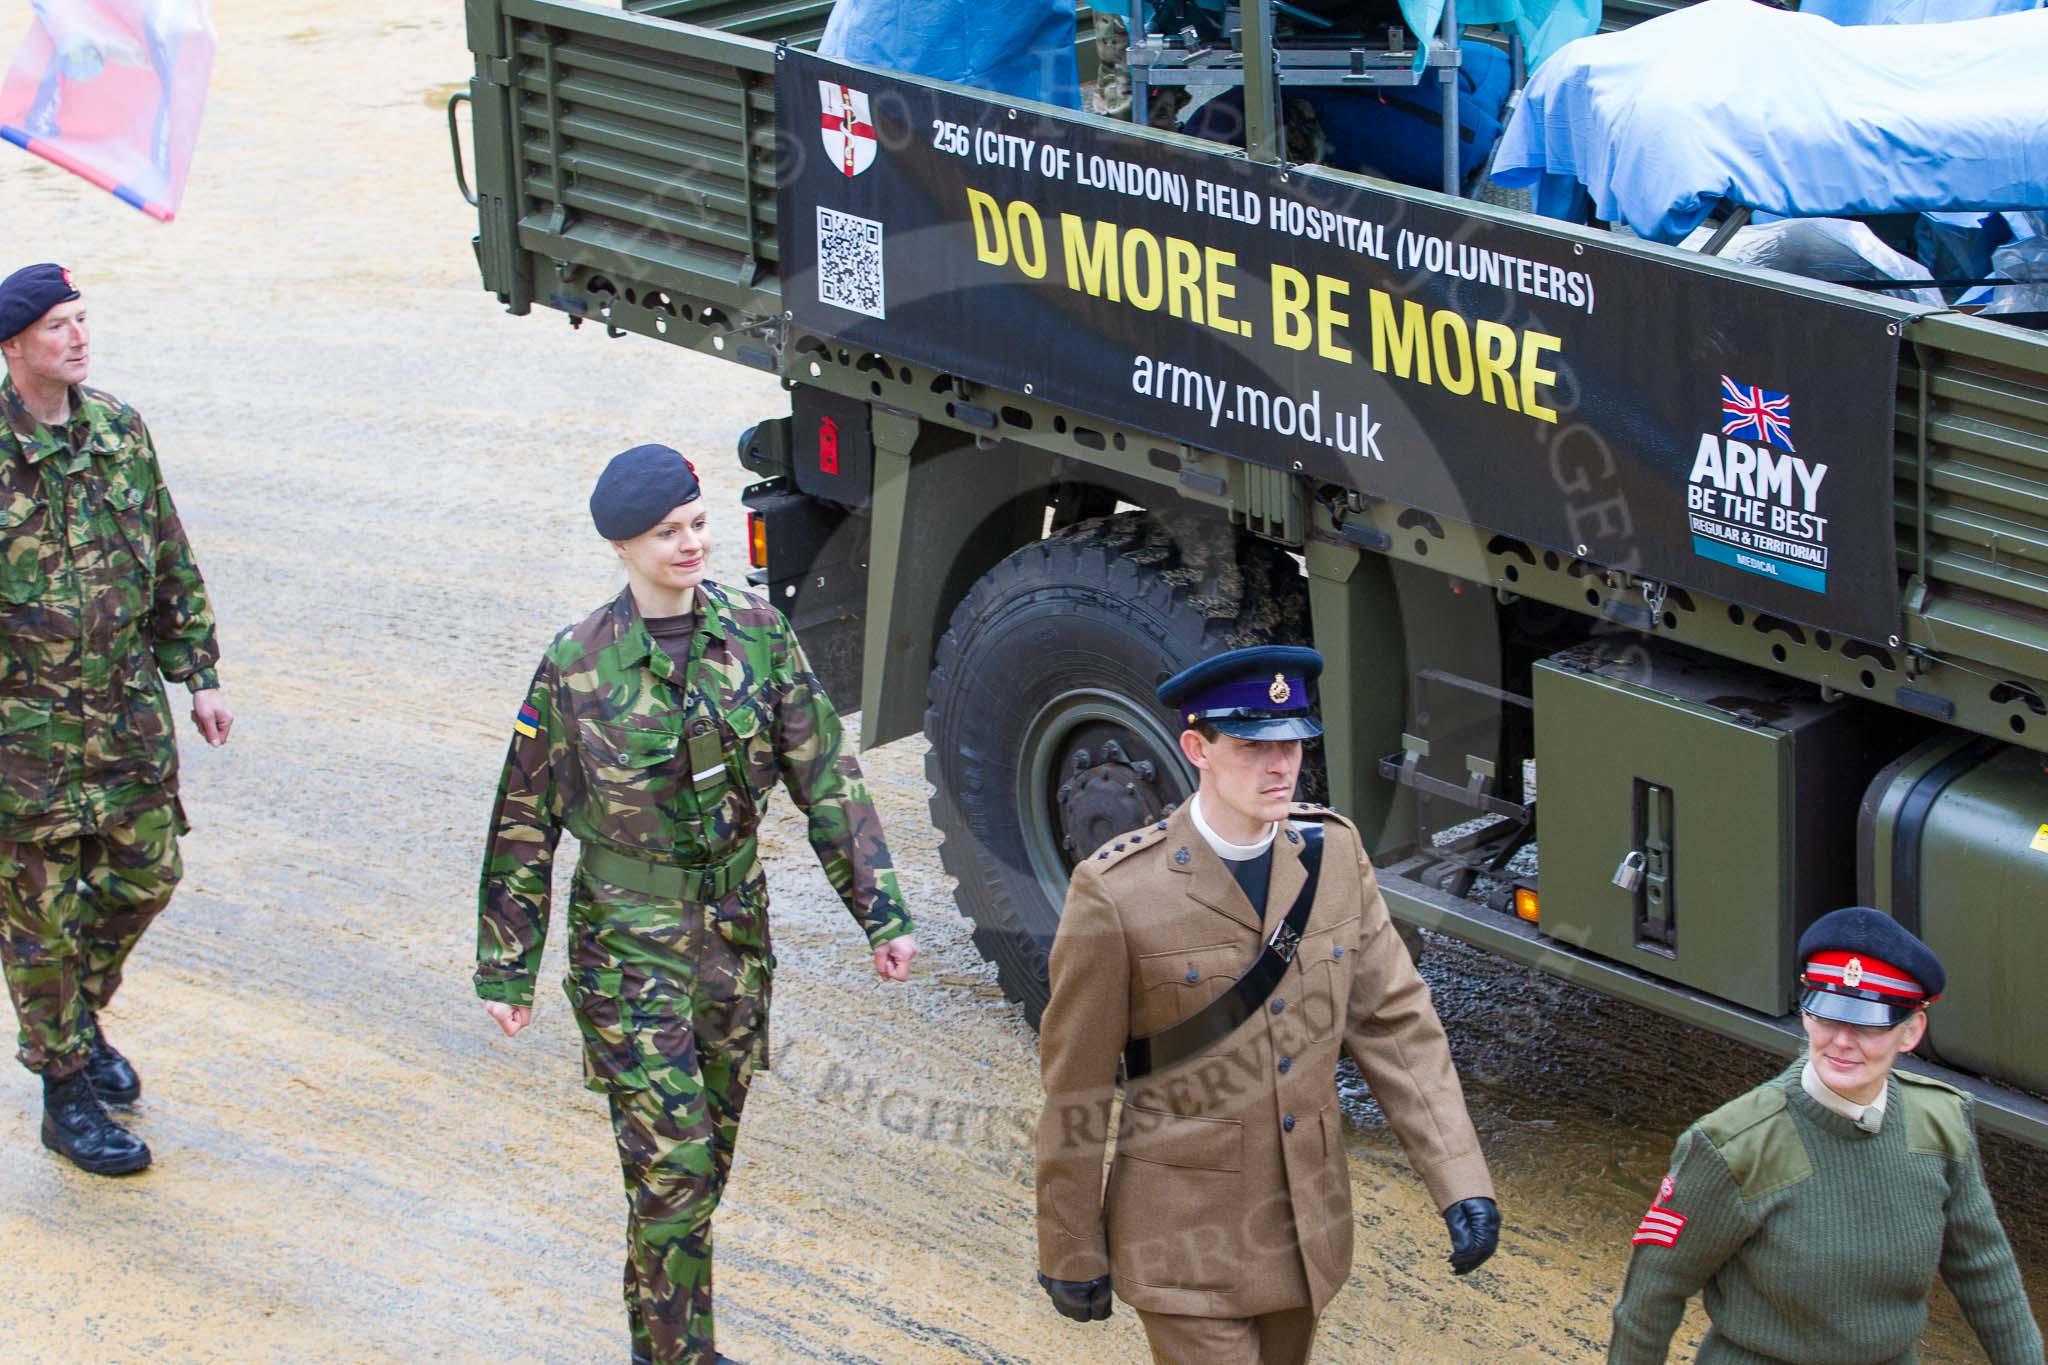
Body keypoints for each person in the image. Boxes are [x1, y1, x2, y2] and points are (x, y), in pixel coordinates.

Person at [474, 443, 917, 1365]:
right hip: (630, 949)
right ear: (623, 547)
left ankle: (674, 1343)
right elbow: (524, 820)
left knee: (702, 1159)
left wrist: (881, 909)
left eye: (697, 523)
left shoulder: (755, 631)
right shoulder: (576, 665)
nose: (690, 544)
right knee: (671, 1171)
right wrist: (507, 965)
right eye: (666, 532)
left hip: (733, 937)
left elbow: (824, 776)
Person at [1033, 644, 1500, 1364]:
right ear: (1198, 748)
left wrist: (1461, 1181)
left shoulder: (1335, 857)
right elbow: (1077, 1086)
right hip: (1181, 1243)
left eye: (1293, 744)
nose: (1281, 765)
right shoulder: (1118, 892)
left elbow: (1397, 1022)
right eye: (1253, 746)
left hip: (1303, 1234)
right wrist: (1069, 1247)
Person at [0, 262, 232, 1176]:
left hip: (127, 727)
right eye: (58, 326)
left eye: (83, 320)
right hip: (23, 747)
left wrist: (200, 673)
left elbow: (169, 554)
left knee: (148, 875)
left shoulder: (120, 432)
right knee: (39, 923)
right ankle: (64, 1089)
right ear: (15, 347)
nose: (79, 337)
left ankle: (74, 1014)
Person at [1609, 906, 2044, 1364]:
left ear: (1911, 1030)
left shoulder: (1940, 1121)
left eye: (1866, 1025)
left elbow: (1985, 1271)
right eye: (1828, 1017)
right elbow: (1649, 1301)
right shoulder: (1733, 1146)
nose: (1841, 1042)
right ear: (1807, 1016)